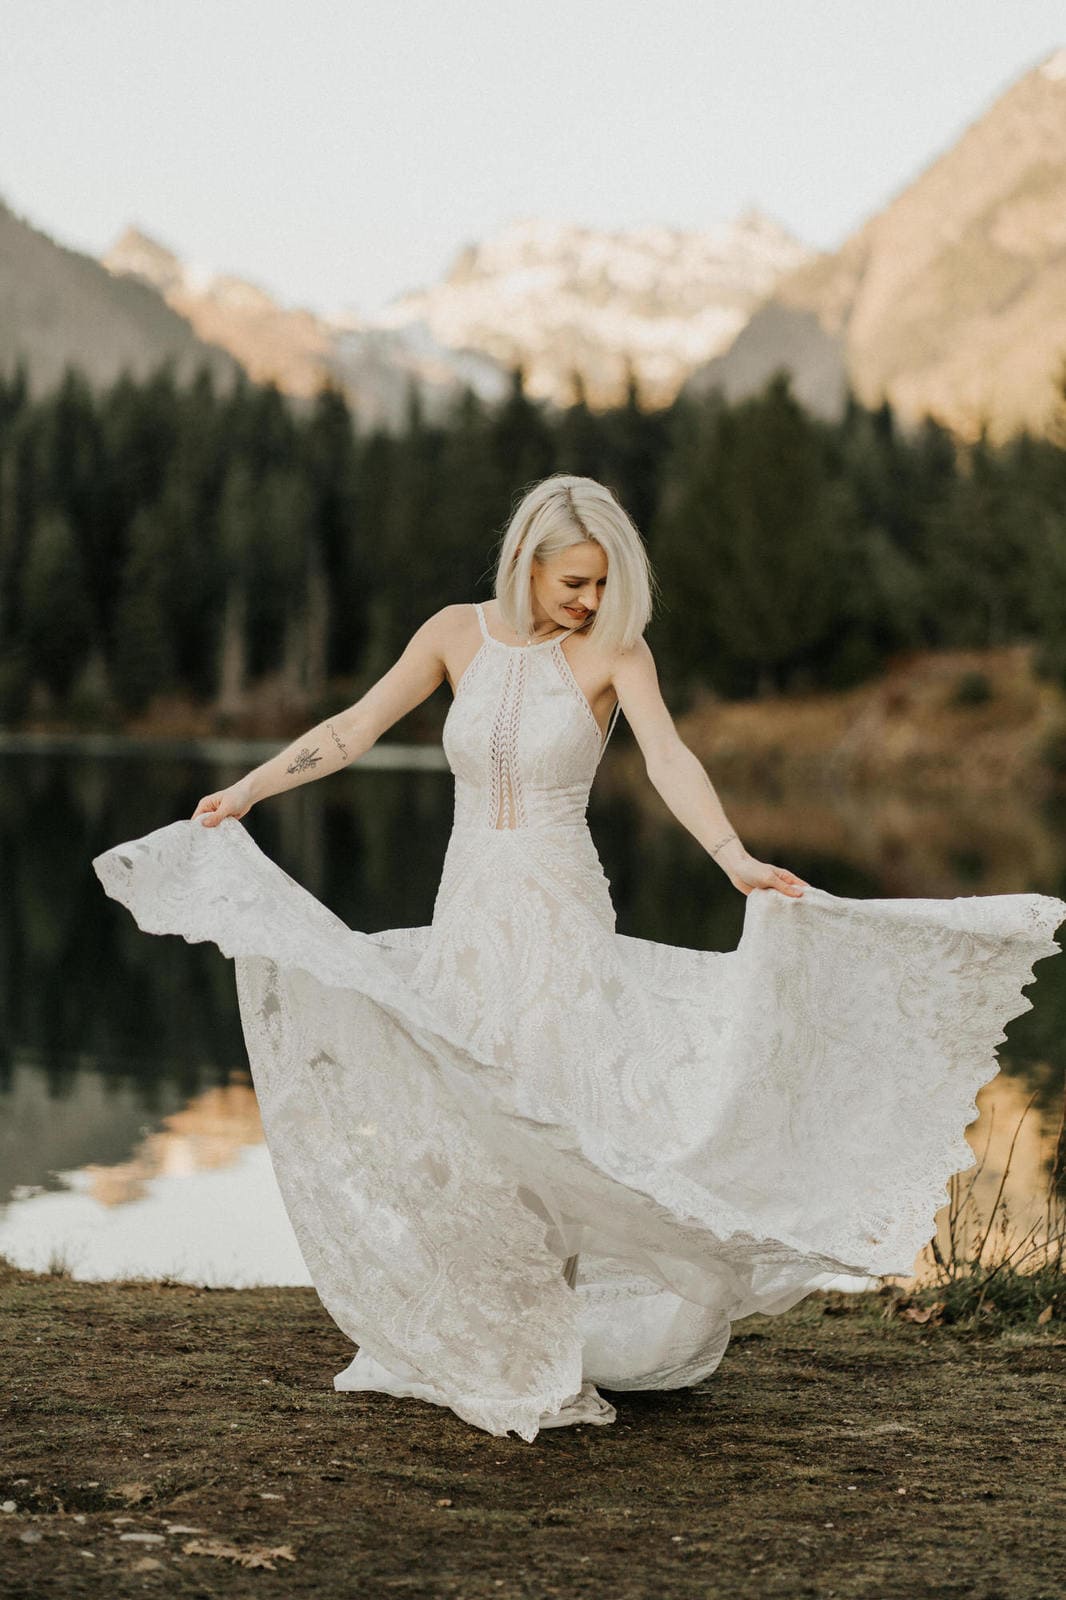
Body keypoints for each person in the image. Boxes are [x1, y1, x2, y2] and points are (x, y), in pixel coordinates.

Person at [93, 473, 1066, 1442]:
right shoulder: (453, 634)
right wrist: (250, 790)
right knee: (473, 1122)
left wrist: (732, 856)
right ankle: (496, 1330)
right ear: (526, 562)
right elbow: (354, 728)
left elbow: (669, 757)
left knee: (553, 1108)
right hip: (469, 906)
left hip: (558, 906)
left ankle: (548, 1343)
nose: (590, 600)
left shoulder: (614, 651)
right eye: (575, 582)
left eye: (602, 583)